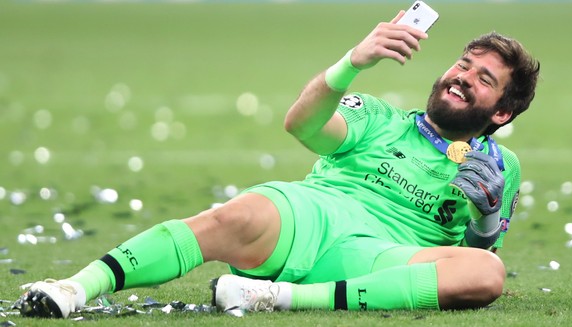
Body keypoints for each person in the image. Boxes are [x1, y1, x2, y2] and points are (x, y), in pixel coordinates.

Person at [16, 9, 539, 318]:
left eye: (484, 78)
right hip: (311, 217)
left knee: (486, 273)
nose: (464, 76)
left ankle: (274, 297)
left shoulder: (501, 166)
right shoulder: (379, 117)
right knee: (232, 217)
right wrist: (353, 63)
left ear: (502, 110)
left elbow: (468, 260)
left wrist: (486, 220)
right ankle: (74, 289)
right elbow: (303, 125)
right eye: (464, 64)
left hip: (382, 257)